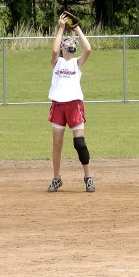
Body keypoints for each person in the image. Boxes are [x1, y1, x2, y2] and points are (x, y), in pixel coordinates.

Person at [46, 12, 94, 192]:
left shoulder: (76, 63)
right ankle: (56, 178)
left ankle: (88, 177)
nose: (72, 43)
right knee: (57, 144)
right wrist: (61, 28)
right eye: (69, 41)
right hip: (58, 105)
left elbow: (88, 49)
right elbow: (54, 51)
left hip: (74, 105)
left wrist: (76, 29)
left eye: (74, 42)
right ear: (63, 46)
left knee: (79, 143)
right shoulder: (57, 62)